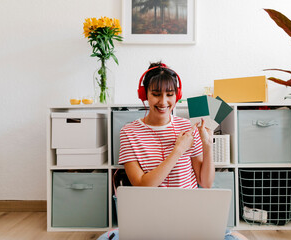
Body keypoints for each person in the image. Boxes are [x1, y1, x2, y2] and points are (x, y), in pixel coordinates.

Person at [98, 62, 247, 240]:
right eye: (155, 94)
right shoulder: (129, 131)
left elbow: (206, 182)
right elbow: (142, 186)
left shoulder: (187, 126)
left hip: (189, 216)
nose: (163, 102)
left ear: (177, 95)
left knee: (238, 238)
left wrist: (207, 144)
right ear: (144, 94)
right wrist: (177, 151)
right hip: (150, 219)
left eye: (170, 95)